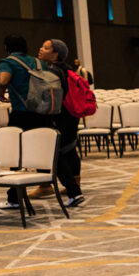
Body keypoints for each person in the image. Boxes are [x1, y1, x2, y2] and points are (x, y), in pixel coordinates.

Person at [0, 35, 61, 209]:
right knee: (42, 150)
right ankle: (47, 185)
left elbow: (3, 79)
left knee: (16, 155)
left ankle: (15, 198)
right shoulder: (38, 62)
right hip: (42, 112)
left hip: (21, 114)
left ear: (7, 47)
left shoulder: (8, 61)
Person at [42, 40, 85, 207]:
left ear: (55, 54)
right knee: (69, 149)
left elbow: (54, 96)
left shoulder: (54, 71)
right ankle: (74, 185)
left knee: (58, 152)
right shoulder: (68, 69)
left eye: (46, 48)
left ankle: (65, 187)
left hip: (60, 115)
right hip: (71, 114)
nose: (40, 49)